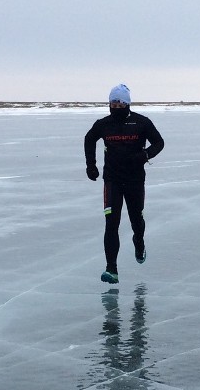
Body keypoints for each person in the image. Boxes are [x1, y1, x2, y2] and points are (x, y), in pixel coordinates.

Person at [84, 84, 164, 284]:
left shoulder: (141, 122)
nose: (116, 107)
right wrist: (91, 165)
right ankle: (111, 269)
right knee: (111, 223)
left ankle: (139, 242)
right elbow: (89, 139)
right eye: (113, 103)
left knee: (137, 220)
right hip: (112, 181)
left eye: (120, 103)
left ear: (127, 104)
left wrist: (145, 155)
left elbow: (159, 142)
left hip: (135, 180)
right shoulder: (104, 124)